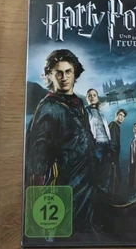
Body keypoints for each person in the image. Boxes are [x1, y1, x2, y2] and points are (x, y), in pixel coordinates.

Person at [25, 50, 96, 234]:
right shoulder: (48, 108)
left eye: (68, 72)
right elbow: (37, 158)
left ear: (75, 73)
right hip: (66, 185)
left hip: (87, 181)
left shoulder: (78, 103)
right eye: (59, 73)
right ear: (50, 75)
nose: (64, 78)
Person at [84, 89, 114, 196]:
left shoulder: (101, 113)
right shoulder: (85, 112)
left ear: (97, 98)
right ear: (87, 99)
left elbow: (105, 129)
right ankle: (99, 195)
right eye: (90, 95)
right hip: (96, 144)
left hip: (107, 143)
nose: (92, 97)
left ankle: (107, 193)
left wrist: (110, 143)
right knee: (98, 169)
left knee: (107, 169)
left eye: (94, 95)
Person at [108, 108, 127, 198]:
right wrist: (113, 159)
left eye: (123, 116)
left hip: (113, 156)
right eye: (120, 115)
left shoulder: (115, 125)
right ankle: (114, 198)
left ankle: (114, 197)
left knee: (116, 178)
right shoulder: (114, 125)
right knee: (116, 178)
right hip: (112, 157)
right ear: (116, 115)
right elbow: (112, 142)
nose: (122, 117)